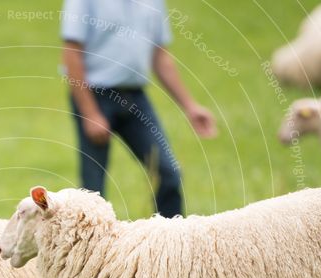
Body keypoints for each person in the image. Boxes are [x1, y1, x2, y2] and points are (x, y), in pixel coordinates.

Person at [61, 0, 217, 218]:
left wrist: (190, 106)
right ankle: (90, 250)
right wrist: (90, 113)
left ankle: (169, 244)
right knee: (92, 191)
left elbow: (161, 57)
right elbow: (71, 54)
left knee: (168, 172)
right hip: (94, 95)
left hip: (136, 97)